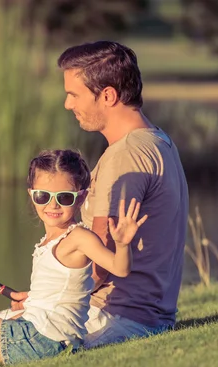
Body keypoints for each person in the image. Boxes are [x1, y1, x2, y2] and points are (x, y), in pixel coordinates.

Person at [11, 41, 189, 349]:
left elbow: (101, 262)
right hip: (147, 315)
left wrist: (48, 300)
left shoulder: (125, 156)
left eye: (74, 94)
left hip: (117, 315)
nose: (68, 104)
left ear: (107, 95)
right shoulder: (158, 141)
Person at [0, 149, 147, 367]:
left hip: (40, 341)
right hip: (46, 338)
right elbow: (56, 295)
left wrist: (123, 244)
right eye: (43, 196)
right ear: (32, 195)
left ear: (81, 197)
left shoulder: (79, 237)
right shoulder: (51, 240)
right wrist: (29, 302)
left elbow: (120, 268)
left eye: (64, 197)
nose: (52, 204)